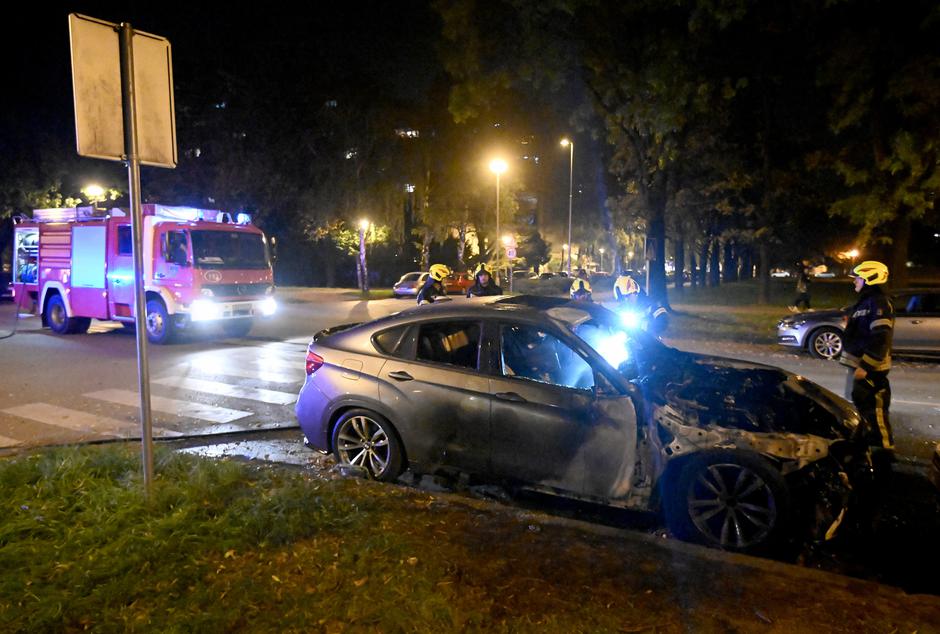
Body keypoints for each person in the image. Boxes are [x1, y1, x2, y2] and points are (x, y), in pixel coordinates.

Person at [839, 260, 894, 455]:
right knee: (862, 410)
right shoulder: (866, 301)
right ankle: (863, 450)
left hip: (871, 371)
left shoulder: (878, 302)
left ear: (870, 278)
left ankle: (883, 456)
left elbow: (881, 337)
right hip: (861, 369)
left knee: (875, 413)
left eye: (858, 278)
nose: (854, 282)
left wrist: (866, 366)